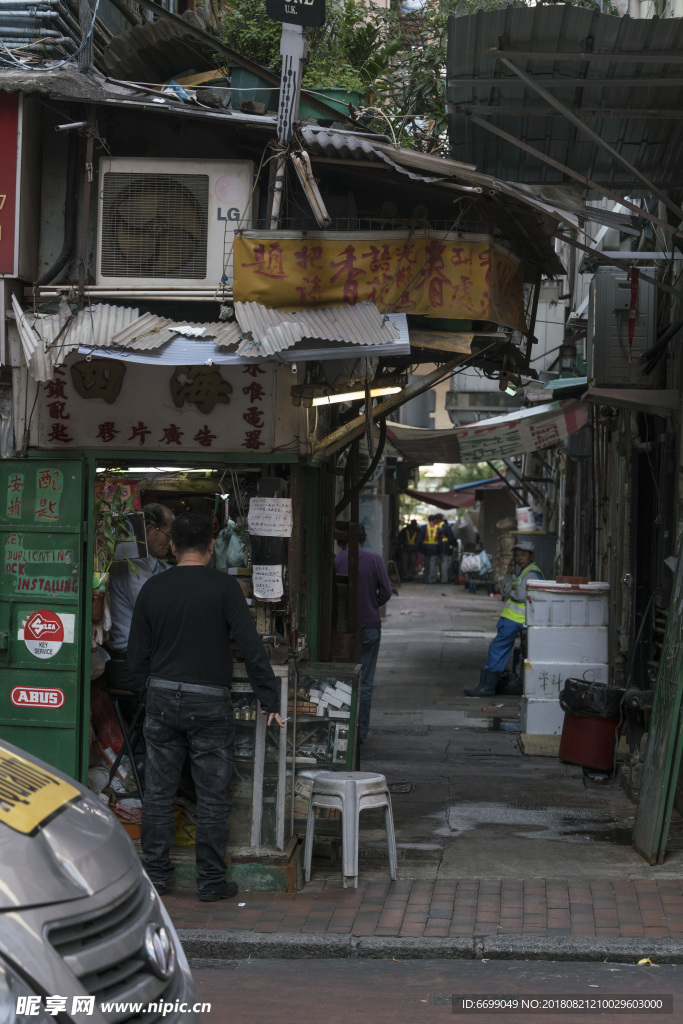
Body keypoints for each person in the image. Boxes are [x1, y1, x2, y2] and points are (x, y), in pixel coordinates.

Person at [127, 513, 284, 901]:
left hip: (163, 699)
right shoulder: (224, 587)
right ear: (211, 547)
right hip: (210, 703)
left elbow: (135, 657)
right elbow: (250, 647)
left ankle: (157, 878)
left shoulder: (153, 588)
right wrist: (270, 698)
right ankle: (211, 882)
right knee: (213, 796)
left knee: (158, 793)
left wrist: (146, 694)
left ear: (174, 546)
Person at [106, 503, 175, 691]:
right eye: (168, 535)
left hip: (142, 661)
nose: (170, 543)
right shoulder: (131, 564)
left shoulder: (150, 564)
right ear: (150, 530)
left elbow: (174, 573)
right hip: (131, 665)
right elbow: (154, 609)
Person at [464, 538, 544, 697]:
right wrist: (508, 574)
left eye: (523, 555)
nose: (519, 557)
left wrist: (511, 594)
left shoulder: (532, 573)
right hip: (510, 619)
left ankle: (486, 687)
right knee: (497, 649)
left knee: (496, 649)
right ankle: (486, 685)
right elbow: (505, 593)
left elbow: (519, 596)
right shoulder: (520, 572)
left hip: (516, 620)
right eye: (517, 555)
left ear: (531, 557)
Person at [335, 523, 392, 742]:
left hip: (342, 630)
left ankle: (343, 730)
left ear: (343, 540)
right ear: (362, 538)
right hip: (369, 626)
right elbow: (385, 592)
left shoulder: (337, 560)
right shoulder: (374, 559)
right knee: (365, 682)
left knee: (342, 680)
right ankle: (361, 732)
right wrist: (370, 604)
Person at [419, 514, 441, 583]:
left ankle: (425, 578)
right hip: (435, 550)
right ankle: (431, 580)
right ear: (434, 520)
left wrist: (420, 549)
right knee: (433, 565)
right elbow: (440, 541)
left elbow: (419, 539)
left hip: (425, 549)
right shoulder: (438, 528)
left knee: (426, 564)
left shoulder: (424, 528)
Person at [438, 518, 458, 585]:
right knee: (445, 563)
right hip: (445, 547)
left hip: (437, 547)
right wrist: (455, 544)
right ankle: (444, 579)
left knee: (441, 563)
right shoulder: (446, 527)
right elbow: (451, 537)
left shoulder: (436, 526)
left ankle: (443, 577)